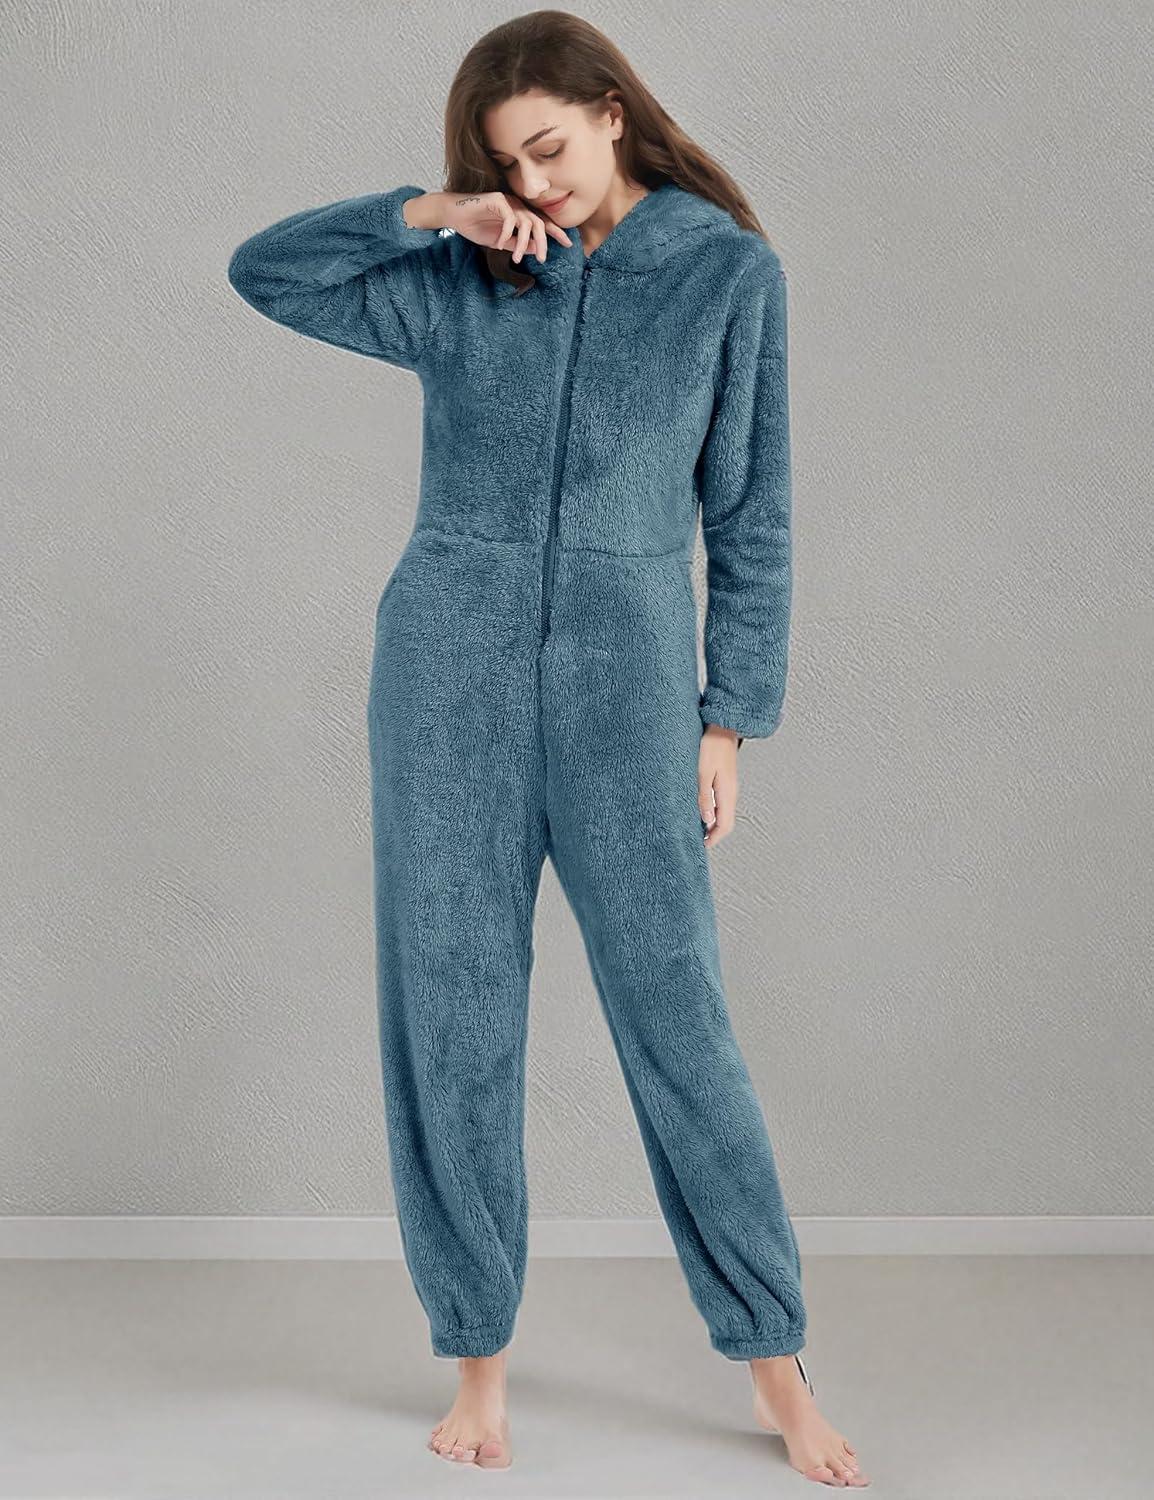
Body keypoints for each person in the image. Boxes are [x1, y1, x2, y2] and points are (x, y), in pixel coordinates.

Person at [227, 9, 868, 1489]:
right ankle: (477, 1362)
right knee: (451, 1014)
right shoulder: (471, 273)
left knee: (678, 1018)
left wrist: (728, 718)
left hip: (629, 685)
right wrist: (433, 212)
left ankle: (777, 1365)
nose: (537, 180)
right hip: (442, 675)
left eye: (549, 147)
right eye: (506, 162)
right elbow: (267, 271)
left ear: (610, 111)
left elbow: (751, 513)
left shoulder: (725, 275)